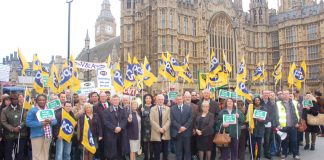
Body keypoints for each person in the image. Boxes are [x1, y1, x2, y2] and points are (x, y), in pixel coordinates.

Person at [26, 94, 57, 160]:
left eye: (43, 100)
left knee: (46, 154)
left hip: (48, 135)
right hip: (37, 136)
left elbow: (55, 121)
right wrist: (41, 123)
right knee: (37, 155)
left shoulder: (49, 110)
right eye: (40, 100)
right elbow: (28, 123)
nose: (42, 101)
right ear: (36, 101)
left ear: (46, 101)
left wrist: (50, 122)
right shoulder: (33, 110)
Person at [274, 90, 301, 160]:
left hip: (293, 125)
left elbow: (300, 113)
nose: (285, 95)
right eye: (284, 94)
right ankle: (284, 154)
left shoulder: (295, 102)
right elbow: (276, 115)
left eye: (287, 94)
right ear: (282, 95)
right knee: (284, 141)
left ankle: (295, 154)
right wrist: (277, 124)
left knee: (294, 141)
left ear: (289, 95)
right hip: (283, 126)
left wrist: (298, 123)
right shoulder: (278, 103)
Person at [1, 94, 28, 160]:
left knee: (19, 152)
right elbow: (3, 122)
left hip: (20, 135)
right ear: (10, 100)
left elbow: (25, 120)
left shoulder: (22, 109)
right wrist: (12, 129)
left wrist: (19, 127)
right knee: (8, 152)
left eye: (16, 99)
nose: (15, 100)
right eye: (13, 99)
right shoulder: (5, 110)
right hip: (9, 135)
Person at [103, 95, 130, 160]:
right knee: (112, 153)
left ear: (119, 101)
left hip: (121, 133)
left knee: (121, 152)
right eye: (114, 100)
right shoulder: (106, 111)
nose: (116, 101)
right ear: (111, 101)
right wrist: (114, 128)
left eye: (117, 99)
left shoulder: (123, 109)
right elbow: (106, 122)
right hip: (111, 134)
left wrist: (120, 127)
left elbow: (125, 119)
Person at [197, 89, 220, 160]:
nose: (206, 94)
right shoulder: (199, 103)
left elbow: (217, 115)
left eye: (207, 93)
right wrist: (197, 129)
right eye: (205, 93)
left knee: (210, 148)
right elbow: (197, 117)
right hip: (200, 133)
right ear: (203, 94)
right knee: (201, 149)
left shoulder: (215, 103)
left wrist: (212, 122)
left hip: (210, 130)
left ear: (210, 94)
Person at [171, 95, 192, 160]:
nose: (179, 100)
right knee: (178, 151)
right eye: (178, 99)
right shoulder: (172, 108)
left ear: (183, 99)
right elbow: (172, 120)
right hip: (178, 132)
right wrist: (179, 127)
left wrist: (185, 127)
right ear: (176, 101)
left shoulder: (188, 108)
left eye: (180, 99)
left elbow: (190, 119)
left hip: (187, 133)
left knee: (187, 151)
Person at [150, 94, 171, 160]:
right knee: (156, 151)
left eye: (162, 99)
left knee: (165, 151)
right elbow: (151, 120)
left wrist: (164, 128)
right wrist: (159, 129)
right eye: (159, 99)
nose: (160, 101)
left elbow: (169, 120)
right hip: (156, 132)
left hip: (165, 131)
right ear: (156, 100)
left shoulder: (168, 109)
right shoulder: (152, 109)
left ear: (164, 100)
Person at [93, 92, 109, 159]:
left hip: (110, 130)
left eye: (104, 96)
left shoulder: (111, 104)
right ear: (99, 97)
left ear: (106, 97)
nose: (103, 98)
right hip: (101, 131)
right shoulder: (95, 107)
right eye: (101, 96)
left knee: (110, 147)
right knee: (102, 148)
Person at [183, 91, 199, 159]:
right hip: (183, 130)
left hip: (192, 130)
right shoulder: (180, 106)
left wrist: (195, 128)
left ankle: (192, 157)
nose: (187, 98)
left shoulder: (195, 106)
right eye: (186, 97)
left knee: (192, 145)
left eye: (189, 97)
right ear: (183, 98)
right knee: (183, 146)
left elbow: (197, 119)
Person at [139, 94, 155, 160]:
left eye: (149, 98)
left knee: (152, 143)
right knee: (145, 144)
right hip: (144, 128)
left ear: (151, 99)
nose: (148, 99)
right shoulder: (141, 106)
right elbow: (138, 116)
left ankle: (151, 157)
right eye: (146, 98)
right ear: (144, 99)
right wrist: (141, 111)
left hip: (152, 127)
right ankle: (145, 157)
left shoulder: (154, 106)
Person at [262, 90, 275, 159]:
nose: (266, 95)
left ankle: (266, 152)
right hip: (260, 123)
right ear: (262, 94)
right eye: (265, 93)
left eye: (267, 93)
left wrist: (268, 120)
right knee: (259, 138)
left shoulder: (272, 103)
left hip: (268, 123)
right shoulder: (259, 102)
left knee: (267, 139)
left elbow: (273, 113)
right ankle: (258, 152)